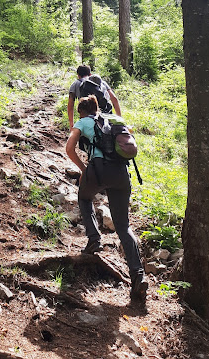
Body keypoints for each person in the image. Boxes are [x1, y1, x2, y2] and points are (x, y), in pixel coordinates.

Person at [65, 94, 148, 301]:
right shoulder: (115, 120)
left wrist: (83, 168)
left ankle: (94, 239)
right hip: (121, 173)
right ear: (98, 108)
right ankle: (138, 276)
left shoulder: (82, 122)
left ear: (81, 111)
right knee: (123, 226)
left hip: (98, 171)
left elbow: (69, 148)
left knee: (84, 198)